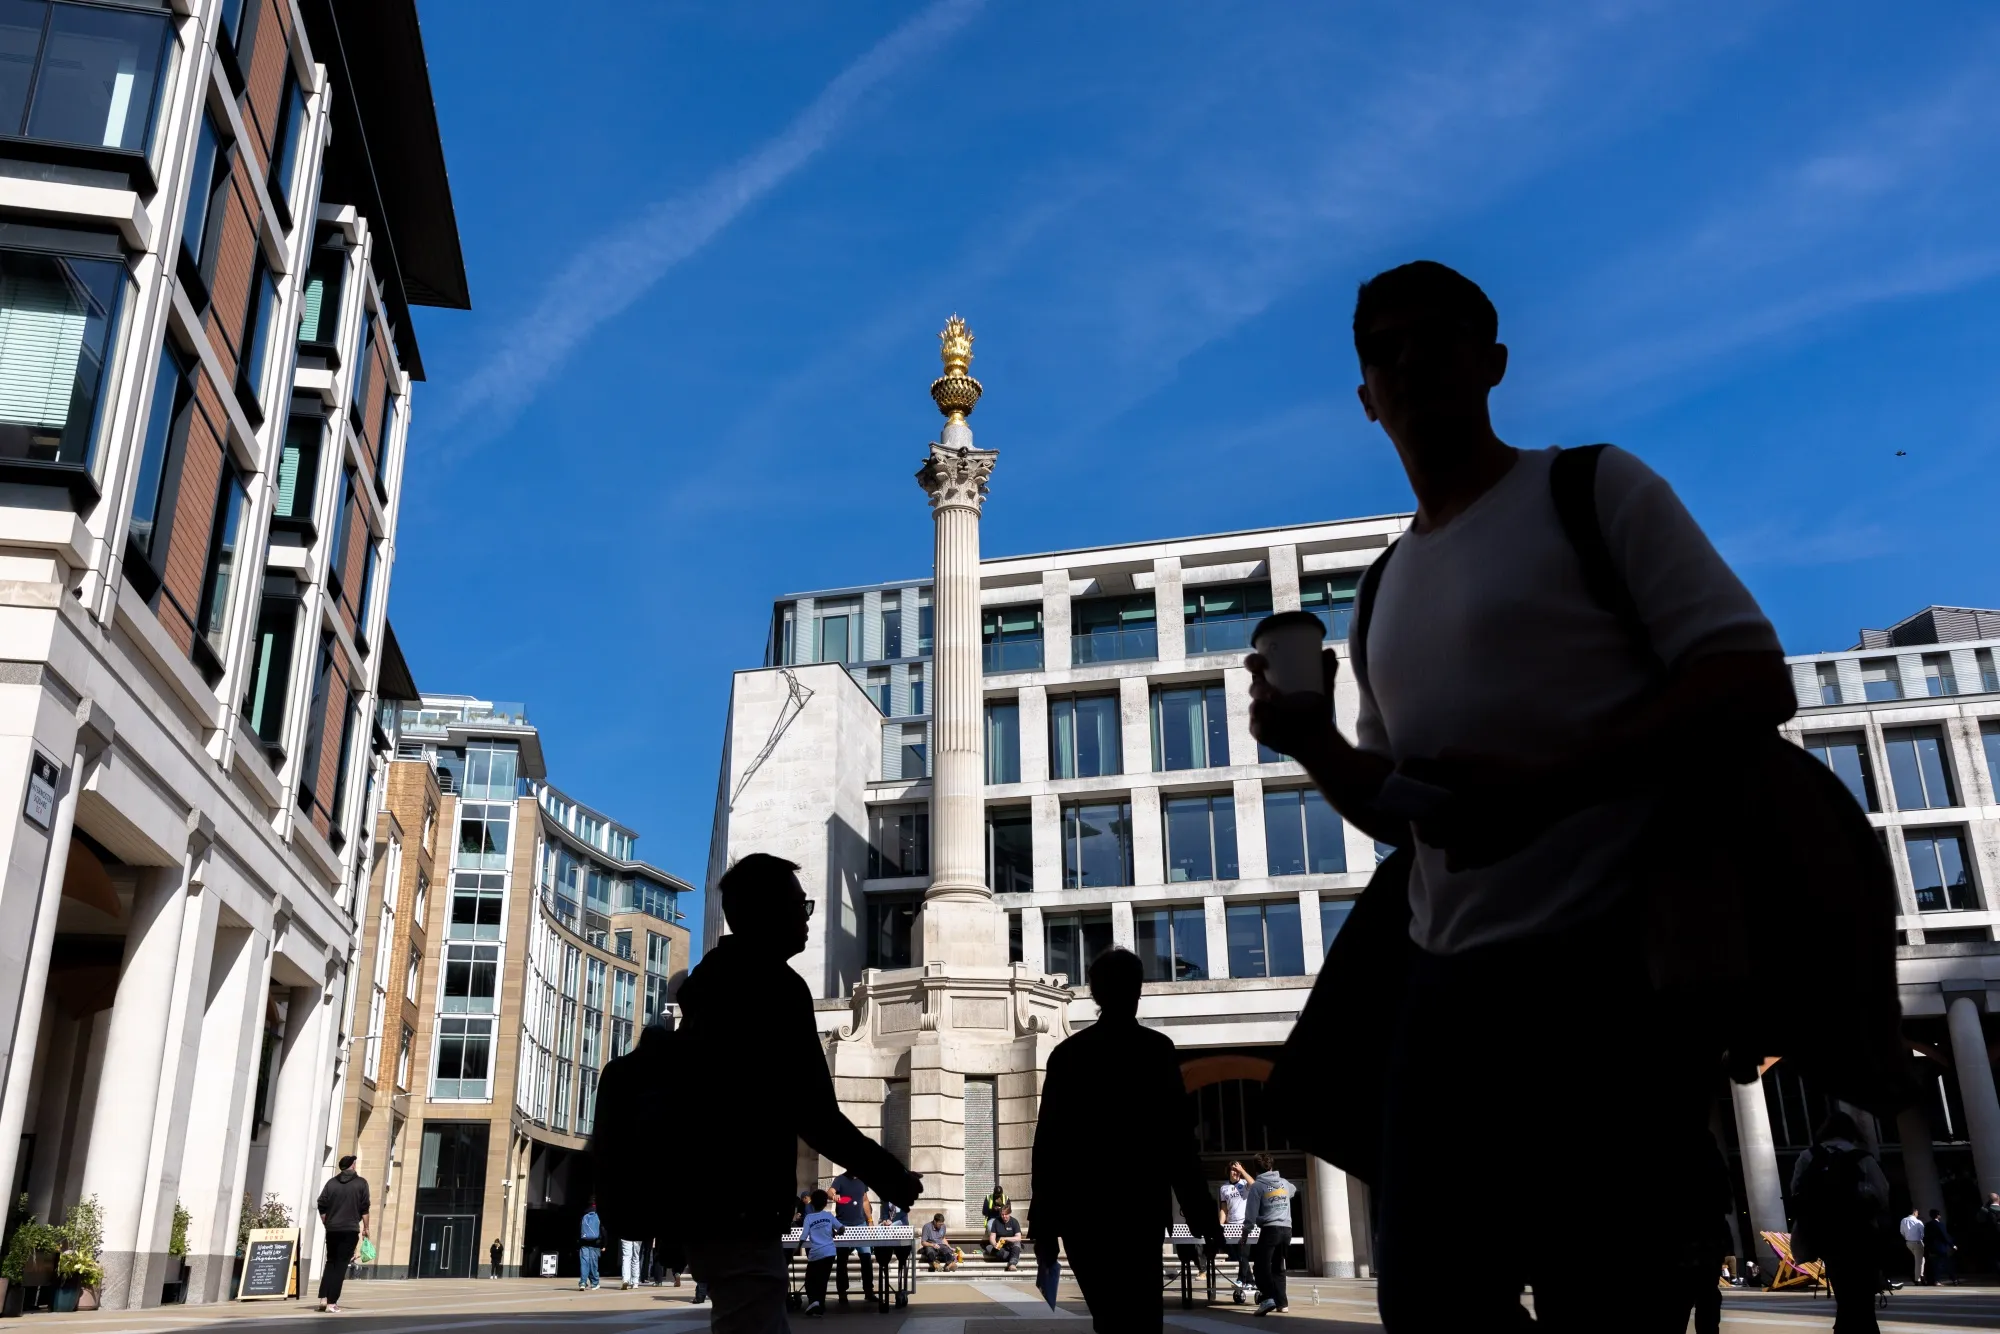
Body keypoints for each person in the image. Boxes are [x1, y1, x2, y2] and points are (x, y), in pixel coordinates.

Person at [1248, 260, 1794, 1332]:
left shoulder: (1588, 489)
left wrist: (1542, 780)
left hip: (1608, 976)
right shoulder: (1381, 584)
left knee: (1609, 1297)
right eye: (1384, 350)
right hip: (1443, 988)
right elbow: (1405, 811)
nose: (1410, 362)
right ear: (1363, 394)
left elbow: (1746, 676)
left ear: (1490, 361)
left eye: (1436, 337)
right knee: (1434, 1306)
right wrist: (1313, 745)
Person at [675, 854, 921, 1334]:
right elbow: (813, 1111)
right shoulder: (772, 986)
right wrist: (886, 1172)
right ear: (763, 913)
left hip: (711, 1205)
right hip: (740, 1204)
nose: (806, 918)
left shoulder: (712, 982)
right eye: (796, 905)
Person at [1031, 949, 1221, 1333]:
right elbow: (1178, 1141)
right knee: (1143, 1320)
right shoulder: (1155, 1051)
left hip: (1085, 1214)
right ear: (1137, 991)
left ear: (1095, 993)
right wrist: (1201, 1213)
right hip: (1139, 1209)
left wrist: (1045, 1227)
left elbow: (1049, 1146)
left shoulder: (1068, 1056)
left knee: (1110, 1318)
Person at [1791, 1114, 1890, 1331]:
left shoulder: (1808, 1156)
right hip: (1860, 1234)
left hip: (1826, 1236)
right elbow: (1883, 1194)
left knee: (1843, 1291)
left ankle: (1845, 1325)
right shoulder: (1862, 1157)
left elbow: (1796, 1192)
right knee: (1864, 1295)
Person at [315, 1154, 370, 1313]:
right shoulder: (361, 1183)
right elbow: (364, 1208)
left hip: (332, 1229)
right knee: (340, 1265)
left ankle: (323, 1298)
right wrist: (366, 1228)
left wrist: (327, 1221)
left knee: (330, 1262)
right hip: (350, 1229)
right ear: (352, 1165)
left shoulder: (331, 1183)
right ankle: (332, 1302)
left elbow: (321, 1205)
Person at [1247, 1155, 1293, 1317]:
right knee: (1278, 1267)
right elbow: (1293, 1191)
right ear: (1271, 1167)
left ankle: (1267, 1299)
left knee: (1260, 1267)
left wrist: (1245, 1232)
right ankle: (1282, 1303)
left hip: (1270, 1230)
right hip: (1287, 1230)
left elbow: (1251, 1214)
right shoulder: (1285, 1183)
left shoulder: (1257, 1186)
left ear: (1256, 1169)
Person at [829, 1170, 874, 1305]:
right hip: (842, 1225)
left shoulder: (862, 1179)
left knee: (866, 1258)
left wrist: (870, 1220)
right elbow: (830, 1191)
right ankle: (842, 1292)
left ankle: (868, 1291)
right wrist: (834, 1196)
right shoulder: (840, 1179)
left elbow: (865, 1200)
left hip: (860, 1224)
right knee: (842, 1260)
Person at [798, 1189, 842, 1318]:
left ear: (812, 1204)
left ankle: (814, 1303)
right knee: (823, 1280)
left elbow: (804, 1236)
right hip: (829, 1252)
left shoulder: (809, 1218)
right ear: (824, 1204)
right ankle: (819, 1306)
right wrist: (835, 1233)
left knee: (810, 1281)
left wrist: (798, 1247)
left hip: (816, 1254)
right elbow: (842, 1228)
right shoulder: (829, 1216)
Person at [1218, 1162, 1254, 1303]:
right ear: (1228, 1172)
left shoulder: (1245, 1183)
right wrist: (1221, 1224)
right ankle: (1251, 1281)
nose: (1236, 1172)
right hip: (1231, 1225)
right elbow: (1223, 1208)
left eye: (1237, 1170)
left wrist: (1242, 1171)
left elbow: (1254, 1184)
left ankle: (1241, 1279)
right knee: (1239, 1255)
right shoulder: (1224, 1188)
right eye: (1233, 1170)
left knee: (1244, 1253)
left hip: (1245, 1224)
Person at [873, 1195, 911, 1304]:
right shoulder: (885, 1203)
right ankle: (883, 1291)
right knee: (883, 1256)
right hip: (888, 1234)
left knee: (902, 1259)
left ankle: (901, 1290)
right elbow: (884, 1214)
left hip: (901, 1233)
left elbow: (902, 1215)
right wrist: (885, 1221)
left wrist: (892, 1221)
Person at [1924, 1209, 1956, 1285]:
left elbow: (1926, 1237)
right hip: (1941, 1248)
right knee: (1947, 1264)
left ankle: (1936, 1280)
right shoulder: (1940, 1225)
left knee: (1935, 1264)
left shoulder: (1928, 1225)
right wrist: (1952, 1245)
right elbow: (1945, 1236)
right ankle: (1953, 1279)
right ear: (1938, 1215)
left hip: (1932, 1248)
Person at [579, 1200, 604, 1290]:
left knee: (584, 1262)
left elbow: (579, 1230)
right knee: (593, 1264)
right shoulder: (598, 1216)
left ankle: (583, 1282)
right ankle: (594, 1283)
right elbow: (603, 1231)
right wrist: (604, 1244)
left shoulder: (583, 1216)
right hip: (595, 1244)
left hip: (584, 1243)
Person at [1899, 1207, 1926, 1284]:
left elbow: (1902, 1232)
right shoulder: (1918, 1221)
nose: (1917, 1214)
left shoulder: (1903, 1220)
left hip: (1908, 1243)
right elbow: (1923, 1233)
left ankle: (1921, 1274)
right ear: (1914, 1213)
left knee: (1922, 1259)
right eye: (1917, 1213)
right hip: (1917, 1242)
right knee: (1919, 1261)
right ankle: (1918, 1279)